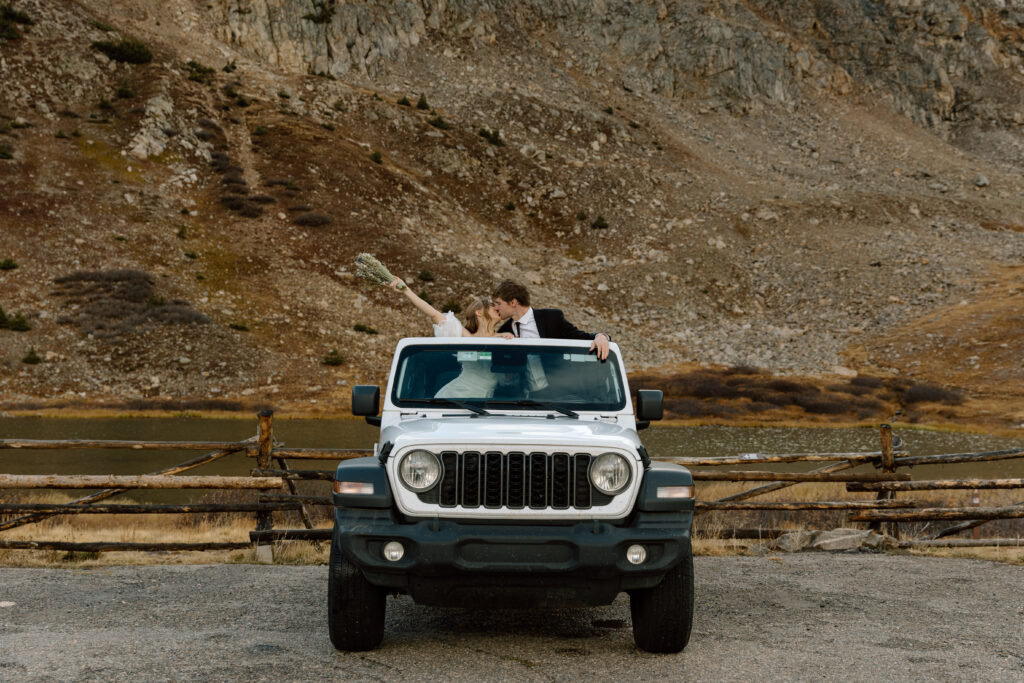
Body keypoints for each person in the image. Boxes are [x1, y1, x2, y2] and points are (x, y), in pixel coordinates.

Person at [388, 278, 508, 398]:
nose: (497, 308)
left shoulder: (505, 339)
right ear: (479, 312)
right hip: (456, 396)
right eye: (492, 305)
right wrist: (406, 290)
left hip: (487, 401)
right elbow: (433, 313)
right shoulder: (464, 336)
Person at [491, 280, 611, 360]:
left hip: (554, 391)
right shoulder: (504, 330)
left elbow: (581, 337)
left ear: (513, 302)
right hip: (521, 394)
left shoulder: (552, 318)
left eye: (498, 303)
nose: (495, 308)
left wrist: (601, 337)